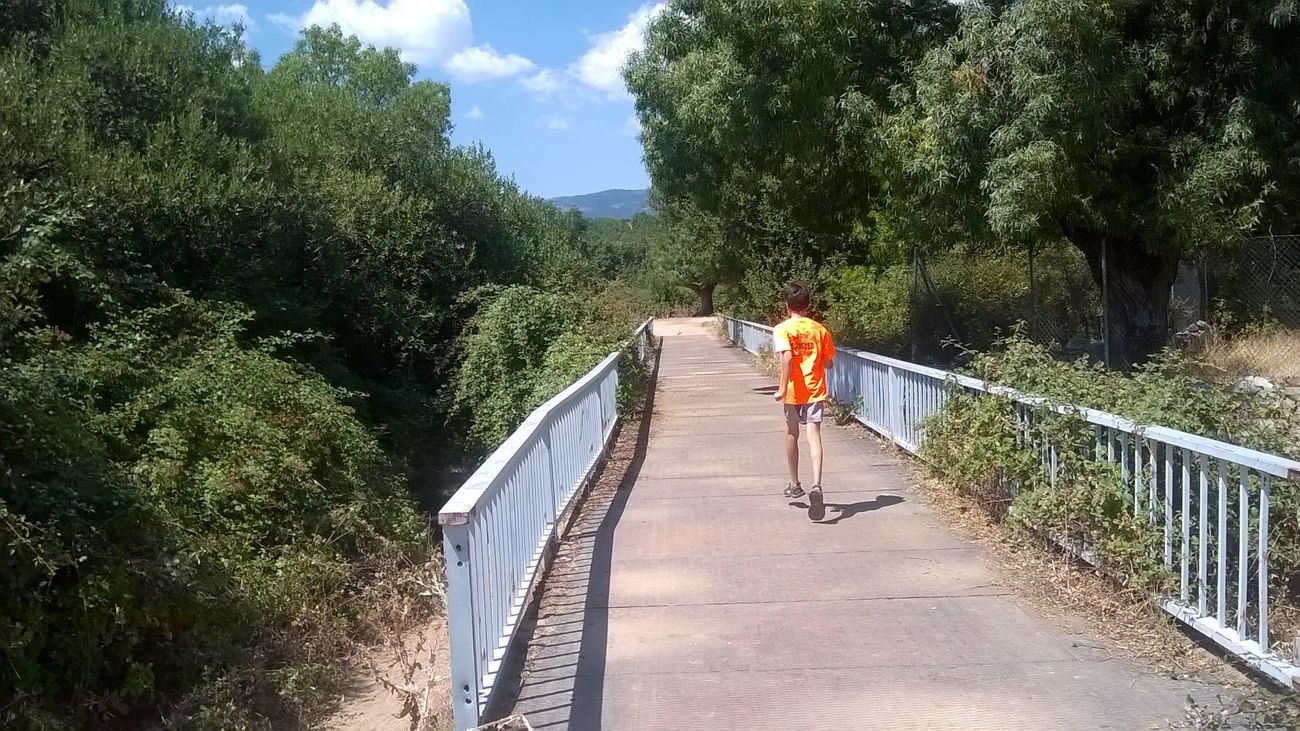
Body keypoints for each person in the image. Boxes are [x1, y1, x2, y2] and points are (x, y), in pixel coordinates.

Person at [772, 281, 835, 517]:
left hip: (793, 392)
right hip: (815, 389)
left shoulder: (782, 329)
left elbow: (787, 357)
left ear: (787, 306)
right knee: (814, 436)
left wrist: (781, 388)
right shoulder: (820, 330)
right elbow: (828, 363)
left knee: (792, 433)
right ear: (807, 306)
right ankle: (816, 484)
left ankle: (795, 483)